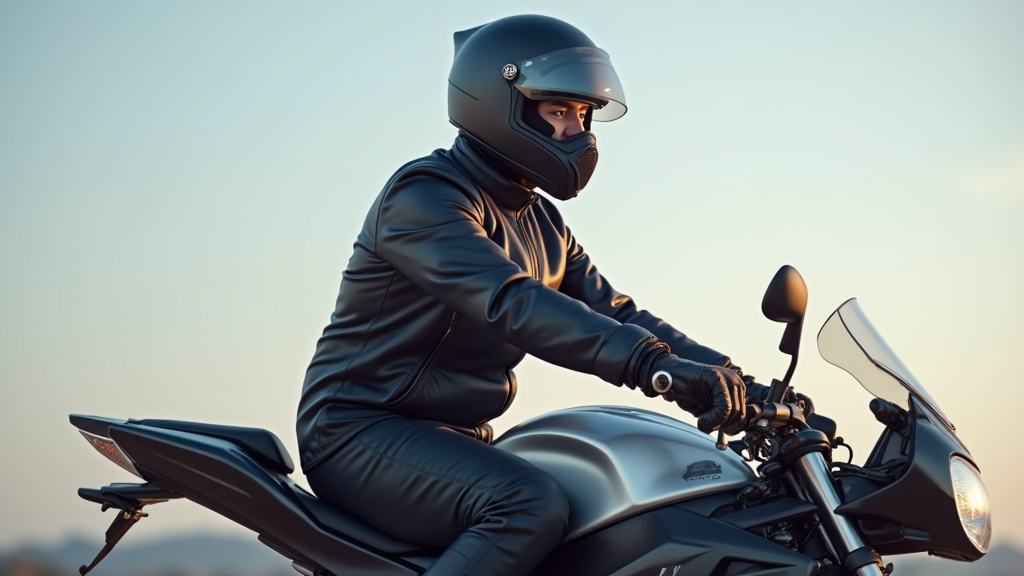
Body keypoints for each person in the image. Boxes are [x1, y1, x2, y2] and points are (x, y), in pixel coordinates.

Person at [296, 14, 808, 576]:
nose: (578, 133)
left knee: (607, 504)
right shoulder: (425, 197)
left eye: (584, 115)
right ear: (500, 104)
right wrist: (653, 368)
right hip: (359, 431)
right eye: (559, 111)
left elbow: (617, 311)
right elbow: (511, 301)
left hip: (457, 439)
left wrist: (746, 386)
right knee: (525, 505)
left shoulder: (541, 222)